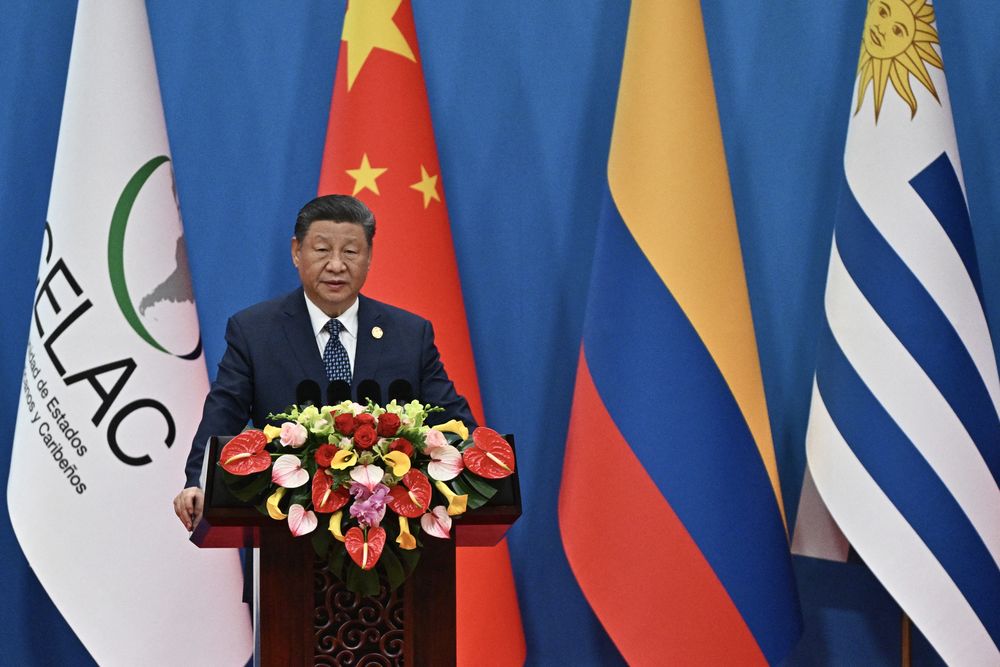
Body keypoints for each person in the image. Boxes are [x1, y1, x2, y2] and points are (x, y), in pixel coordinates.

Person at [173, 194, 475, 530]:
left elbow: (455, 424)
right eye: (321, 250)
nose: (336, 265)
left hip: (393, 531)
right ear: (296, 252)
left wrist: (481, 462)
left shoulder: (409, 335)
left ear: (369, 257)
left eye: (350, 252)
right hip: (288, 527)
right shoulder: (254, 332)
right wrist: (198, 481)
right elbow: (223, 414)